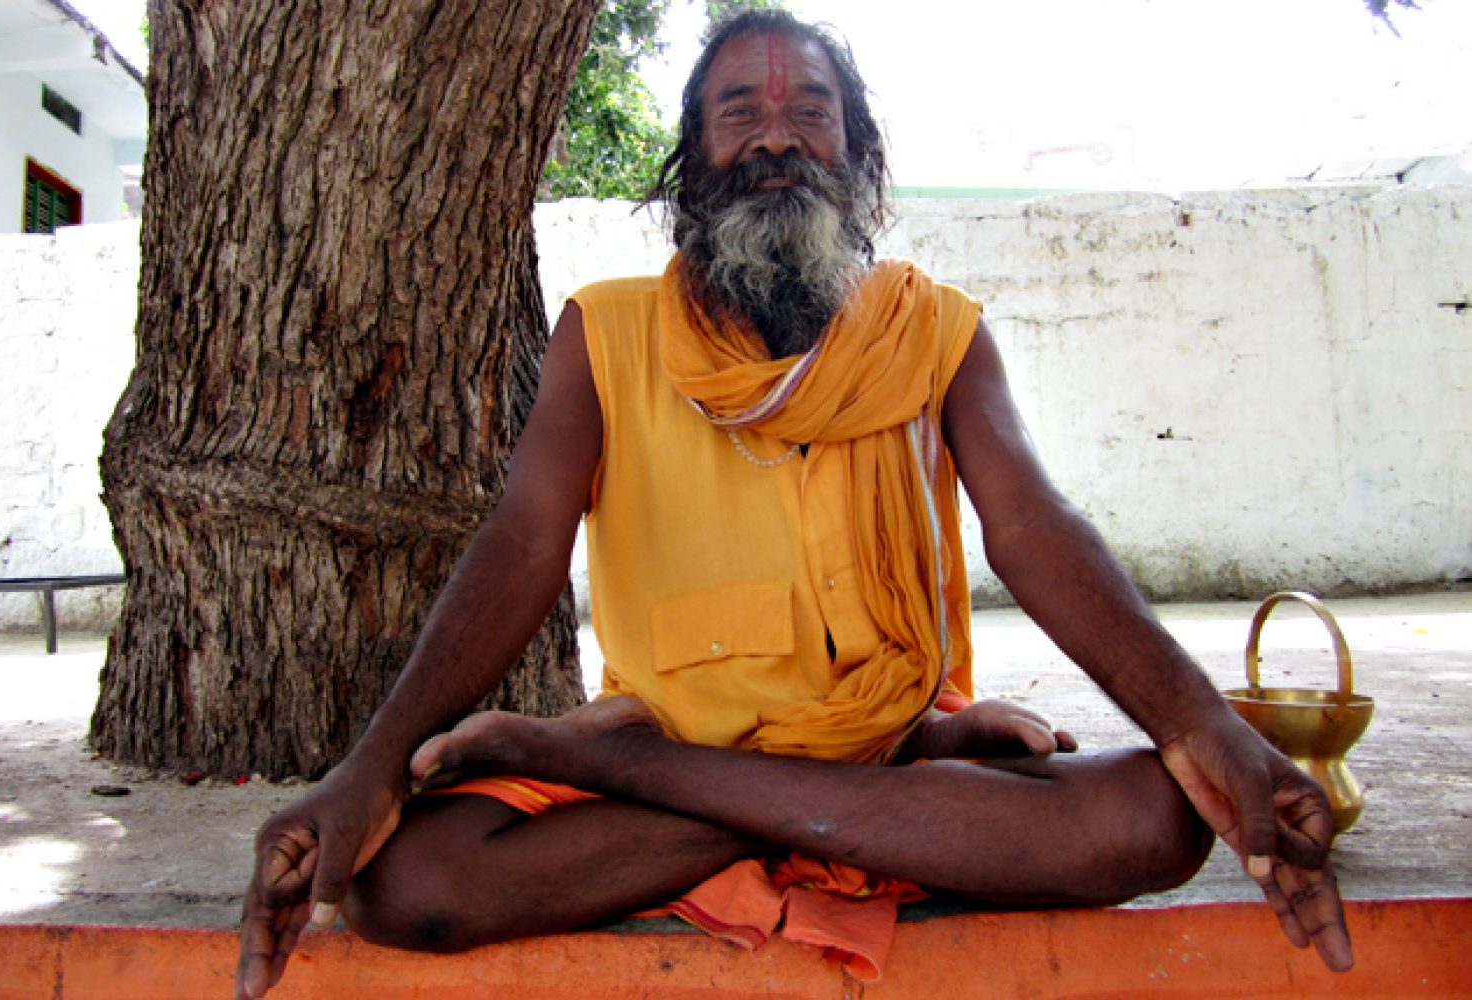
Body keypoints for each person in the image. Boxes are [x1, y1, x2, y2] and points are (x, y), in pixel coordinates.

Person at [235, 12, 1353, 999]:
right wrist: (370, 768)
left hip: (732, 763)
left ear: (858, 154)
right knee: (407, 882)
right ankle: (856, 799)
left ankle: (635, 769)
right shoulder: (606, 333)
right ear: (694, 159)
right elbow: (524, 538)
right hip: (786, 759)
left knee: (1156, 818)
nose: (776, 140)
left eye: (810, 112)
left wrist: (1203, 728)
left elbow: (1032, 527)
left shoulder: (936, 332)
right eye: (740, 113)